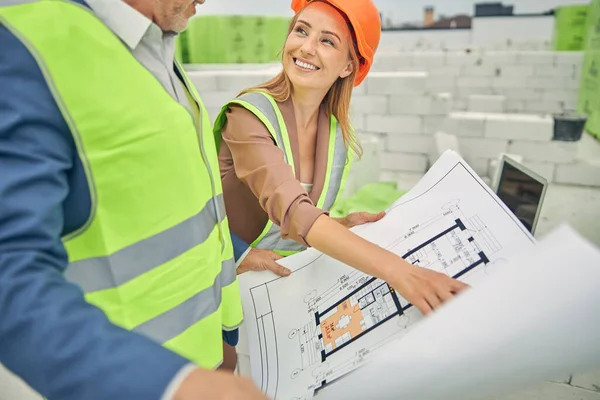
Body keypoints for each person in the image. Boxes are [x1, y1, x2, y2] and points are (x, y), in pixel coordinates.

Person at [0, 0, 267, 398]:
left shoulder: (158, 50)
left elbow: (179, 201)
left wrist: (225, 337)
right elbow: (11, 274)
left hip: (204, 360)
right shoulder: (25, 50)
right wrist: (170, 383)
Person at [215, 0, 469, 316]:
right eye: (301, 30)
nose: (306, 47)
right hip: (221, 283)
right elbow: (293, 212)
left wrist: (340, 224)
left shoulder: (334, 132)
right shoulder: (249, 116)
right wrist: (402, 272)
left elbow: (294, 222)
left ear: (349, 66)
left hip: (277, 287)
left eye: (326, 40)